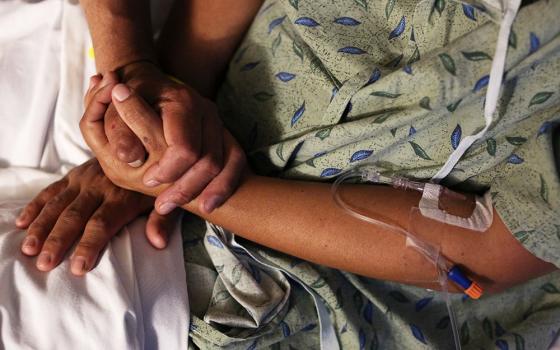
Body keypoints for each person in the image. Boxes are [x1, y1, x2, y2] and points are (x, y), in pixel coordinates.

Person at [20, 0, 560, 348]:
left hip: (322, 280)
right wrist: (147, 97)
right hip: (191, 84)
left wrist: (193, 184)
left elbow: (495, 246)